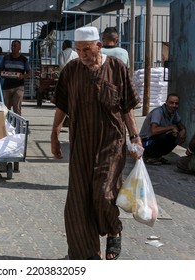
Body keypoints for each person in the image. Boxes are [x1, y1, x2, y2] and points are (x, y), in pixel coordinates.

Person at [50, 26, 142, 260]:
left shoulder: (116, 68)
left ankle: (114, 230)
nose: (82, 55)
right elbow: (61, 102)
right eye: (79, 50)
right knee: (78, 202)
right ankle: (88, 257)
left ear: (99, 46)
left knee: (103, 194)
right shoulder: (72, 70)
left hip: (111, 143)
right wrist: (54, 133)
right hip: (81, 144)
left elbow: (127, 106)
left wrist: (135, 136)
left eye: (87, 50)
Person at [139, 93, 187, 165]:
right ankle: (149, 156)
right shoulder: (158, 112)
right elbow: (154, 130)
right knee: (166, 136)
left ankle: (157, 156)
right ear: (166, 102)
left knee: (175, 135)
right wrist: (171, 127)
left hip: (153, 140)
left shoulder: (173, 113)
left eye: (176, 103)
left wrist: (183, 131)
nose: (174, 105)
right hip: (145, 143)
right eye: (171, 103)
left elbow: (180, 125)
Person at [0, 40, 31, 115]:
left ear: (19, 48)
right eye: (12, 46)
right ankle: (7, 124)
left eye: (15, 46)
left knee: (16, 107)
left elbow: (29, 73)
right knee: (6, 108)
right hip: (7, 86)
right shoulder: (6, 58)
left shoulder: (24, 59)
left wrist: (23, 76)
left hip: (18, 86)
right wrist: (3, 74)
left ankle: (17, 125)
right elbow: (0, 70)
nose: (13, 47)